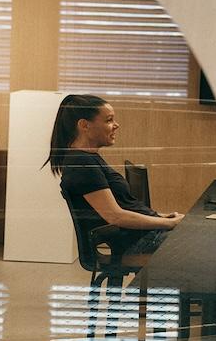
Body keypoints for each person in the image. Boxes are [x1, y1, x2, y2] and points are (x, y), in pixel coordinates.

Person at [44, 94, 184, 257]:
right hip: (138, 242)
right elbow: (116, 216)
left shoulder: (87, 158)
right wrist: (168, 223)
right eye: (109, 120)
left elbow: (123, 207)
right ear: (84, 125)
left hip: (143, 236)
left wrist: (161, 217)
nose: (116, 125)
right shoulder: (83, 164)